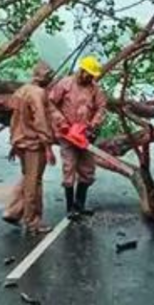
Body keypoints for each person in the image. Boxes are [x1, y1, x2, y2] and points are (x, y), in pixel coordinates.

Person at [3, 61, 58, 234]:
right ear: (45, 77)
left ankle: (13, 211)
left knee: (27, 178)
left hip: (20, 142)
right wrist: (48, 147)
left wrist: (13, 143)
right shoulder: (38, 94)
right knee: (34, 183)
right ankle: (32, 221)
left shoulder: (21, 91)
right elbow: (41, 122)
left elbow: (14, 120)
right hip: (33, 144)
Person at [49, 56, 107, 219]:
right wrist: (61, 122)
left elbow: (102, 108)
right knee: (69, 167)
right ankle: (70, 208)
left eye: (92, 76)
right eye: (88, 74)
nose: (89, 78)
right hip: (67, 134)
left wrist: (93, 124)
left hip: (85, 135)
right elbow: (50, 103)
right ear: (81, 71)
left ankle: (79, 205)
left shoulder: (95, 89)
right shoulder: (65, 84)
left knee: (88, 170)